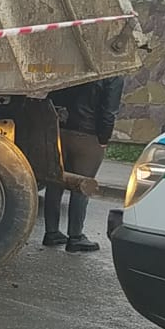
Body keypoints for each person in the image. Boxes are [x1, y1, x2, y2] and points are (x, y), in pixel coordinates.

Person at [43, 76, 125, 252]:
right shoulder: (113, 74)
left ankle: (51, 232)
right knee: (83, 185)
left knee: (55, 181)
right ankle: (75, 236)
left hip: (60, 128)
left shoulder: (74, 64)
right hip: (87, 134)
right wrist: (103, 138)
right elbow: (109, 111)